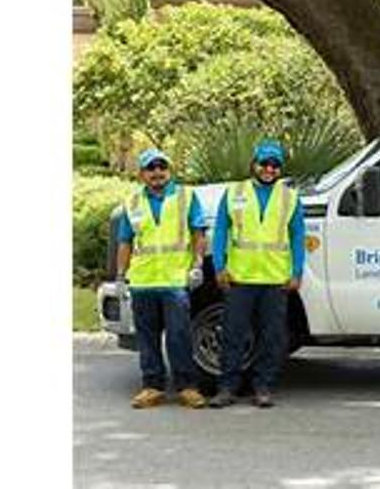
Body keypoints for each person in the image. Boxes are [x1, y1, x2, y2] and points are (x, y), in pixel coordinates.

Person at [207, 140, 305, 409]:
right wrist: (219, 266)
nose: (269, 169)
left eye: (275, 165)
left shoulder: (290, 198)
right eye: (265, 164)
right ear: (254, 164)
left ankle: (263, 387)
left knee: (271, 338)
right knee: (233, 336)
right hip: (240, 278)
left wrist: (296, 272)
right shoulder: (234, 192)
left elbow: (298, 237)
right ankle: (227, 388)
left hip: (275, 280)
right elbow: (220, 233)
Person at [115, 148, 208, 409]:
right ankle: (152, 387)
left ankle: (187, 388)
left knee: (179, 337)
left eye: (161, 167)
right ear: (142, 174)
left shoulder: (185, 197)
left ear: (169, 170)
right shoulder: (132, 202)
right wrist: (121, 276)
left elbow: (198, 234)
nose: (157, 173)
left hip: (175, 281)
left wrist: (198, 265)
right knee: (147, 338)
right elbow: (125, 241)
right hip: (143, 281)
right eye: (151, 168)